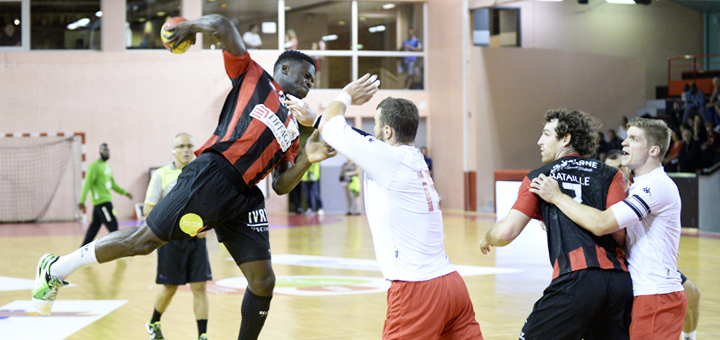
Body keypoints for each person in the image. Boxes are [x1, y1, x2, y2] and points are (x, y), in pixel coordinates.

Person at [30, 14, 354, 340]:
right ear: (284, 69)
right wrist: (191, 27)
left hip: (245, 196)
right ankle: (56, 267)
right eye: (306, 75)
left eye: (313, 80)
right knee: (141, 242)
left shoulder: (295, 129)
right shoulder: (253, 76)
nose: (311, 82)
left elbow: (282, 185)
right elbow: (225, 26)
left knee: (263, 281)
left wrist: (308, 160)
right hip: (212, 174)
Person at [314, 87, 484, 339]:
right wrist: (314, 118)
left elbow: (332, 124)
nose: (372, 132)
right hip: (451, 284)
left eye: (375, 126)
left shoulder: (387, 159)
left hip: (417, 289)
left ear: (387, 131)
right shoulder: (412, 159)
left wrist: (347, 94)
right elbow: (351, 136)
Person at [479, 108, 633, 340]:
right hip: (620, 283)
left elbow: (505, 232)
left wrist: (488, 237)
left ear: (565, 139)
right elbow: (621, 234)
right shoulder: (611, 174)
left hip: (577, 281)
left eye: (546, 134)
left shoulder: (540, 178)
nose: (539, 141)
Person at [530, 117, 687, 340]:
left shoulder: (655, 186)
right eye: (626, 137)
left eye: (633, 139)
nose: (624, 143)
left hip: (657, 295)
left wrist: (557, 198)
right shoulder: (638, 185)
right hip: (643, 291)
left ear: (653, 150)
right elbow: (625, 235)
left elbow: (602, 224)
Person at [606, 144, 701, 340]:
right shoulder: (606, 195)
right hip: (622, 265)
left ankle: (689, 337)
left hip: (649, 263)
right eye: (611, 168)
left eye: (619, 166)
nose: (617, 171)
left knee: (693, 293)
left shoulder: (638, 189)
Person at [143, 133, 211, 340]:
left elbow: (211, 206)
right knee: (170, 288)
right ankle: (154, 321)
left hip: (196, 239)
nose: (186, 150)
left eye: (190, 145)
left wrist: (207, 224)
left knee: (200, 287)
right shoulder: (161, 175)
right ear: (174, 150)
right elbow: (148, 209)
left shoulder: (203, 174)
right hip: (170, 240)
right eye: (181, 146)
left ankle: (203, 336)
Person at [77, 143, 133, 247]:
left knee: (94, 228)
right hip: (102, 203)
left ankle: (82, 249)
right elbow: (87, 184)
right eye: (104, 151)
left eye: (108, 151)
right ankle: (120, 248)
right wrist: (82, 200)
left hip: (106, 201)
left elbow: (113, 185)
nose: (107, 153)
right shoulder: (94, 166)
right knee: (113, 226)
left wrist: (125, 193)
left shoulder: (107, 167)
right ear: (100, 152)